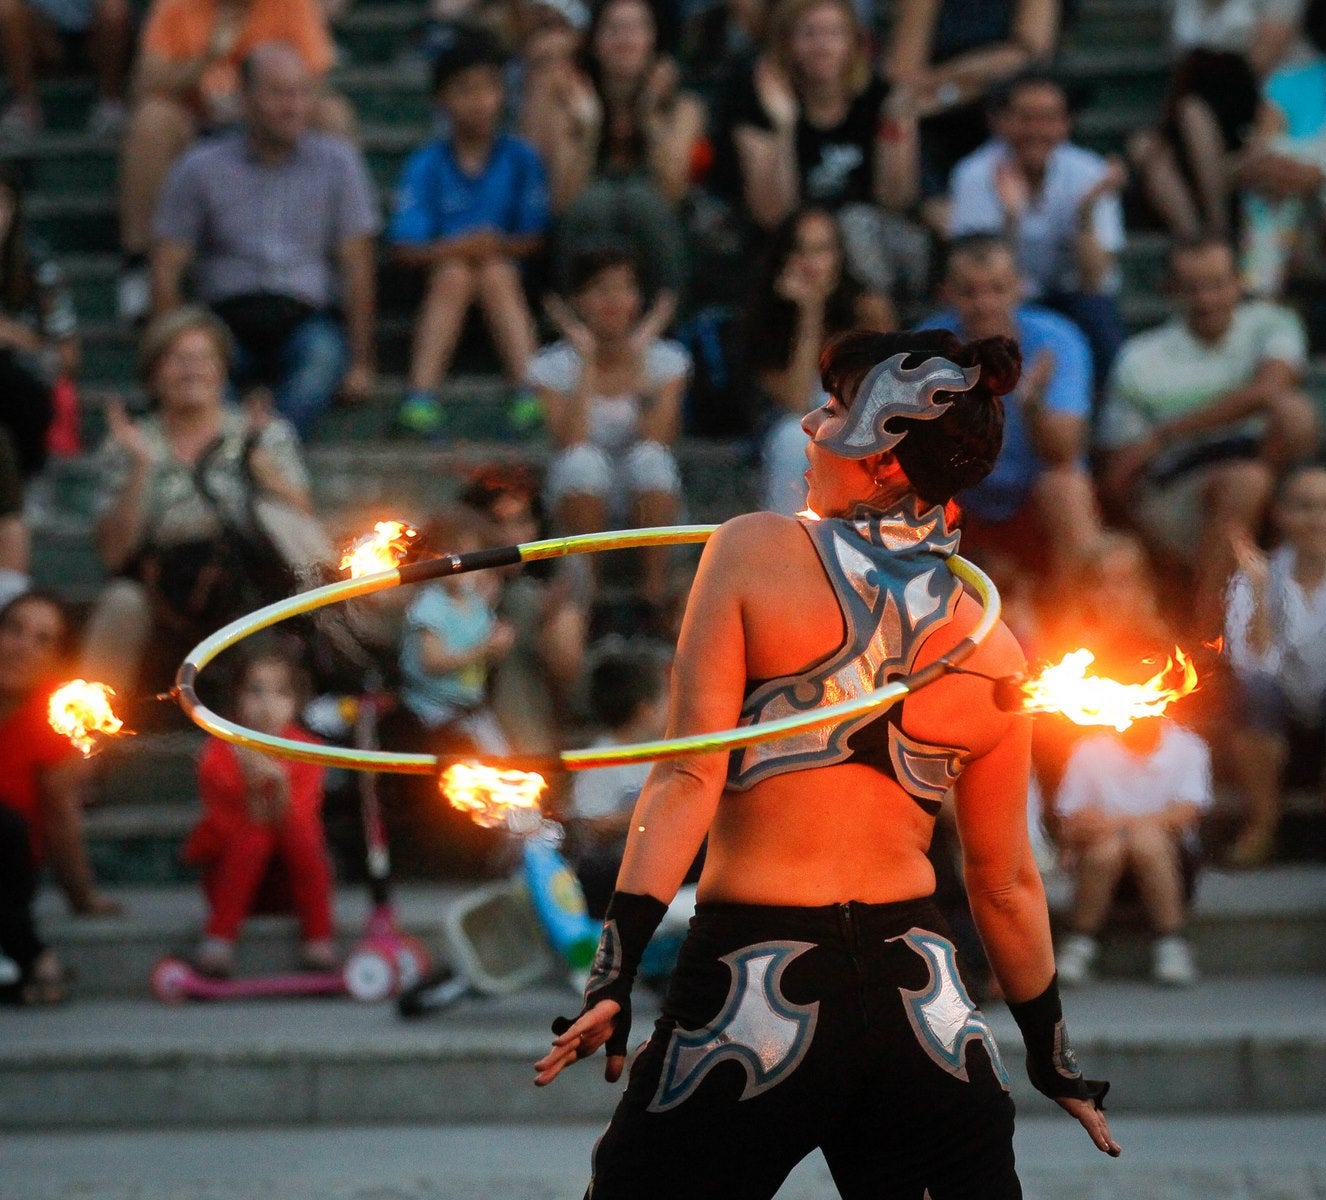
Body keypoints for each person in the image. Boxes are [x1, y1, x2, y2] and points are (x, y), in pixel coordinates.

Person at [535, 327, 1120, 1196]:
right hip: (925, 1006)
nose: (811, 424)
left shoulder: (751, 550)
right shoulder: (995, 648)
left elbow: (687, 773)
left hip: (750, 989)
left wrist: (612, 969)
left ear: (885, 458)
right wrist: (1052, 1056)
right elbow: (1005, 884)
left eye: (839, 411)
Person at [80, 307, 320, 698]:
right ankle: (88, 738)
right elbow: (113, 556)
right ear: (153, 374)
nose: (191, 370)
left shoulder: (263, 432)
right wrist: (141, 468)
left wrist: (261, 470)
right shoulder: (128, 443)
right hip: (162, 588)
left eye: (203, 358)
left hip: (249, 579)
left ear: (223, 370)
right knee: (120, 602)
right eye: (177, 358)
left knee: (279, 597)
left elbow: (304, 527)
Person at [151, 42, 380, 438]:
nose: (292, 106)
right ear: (244, 99)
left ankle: (264, 448)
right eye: (278, 93)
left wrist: (362, 363)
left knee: (322, 359)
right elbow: (167, 266)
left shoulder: (339, 164)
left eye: (301, 93)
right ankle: (240, 449)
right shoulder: (200, 167)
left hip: (305, 319)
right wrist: (163, 354)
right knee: (198, 369)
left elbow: (358, 266)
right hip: (223, 321)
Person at [1098, 237, 1317, 637]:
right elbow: (1119, 473)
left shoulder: (1271, 323)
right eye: (1193, 287)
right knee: (1248, 481)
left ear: (1238, 282)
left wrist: (1165, 432)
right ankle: (1212, 635)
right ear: (1172, 291)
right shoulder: (1140, 359)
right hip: (1178, 488)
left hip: (1263, 471)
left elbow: (1271, 389)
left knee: (1292, 415)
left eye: (1218, 284)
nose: (1207, 299)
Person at [117, 0, 353, 324]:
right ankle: (141, 263)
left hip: (270, 124)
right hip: (198, 123)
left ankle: (336, 257)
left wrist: (266, 97)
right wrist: (207, 57)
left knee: (333, 114)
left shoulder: (293, 5)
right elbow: (144, 85)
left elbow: (315, 81)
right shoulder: (176, 6)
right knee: (152, 121)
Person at [1050, 533, 1212, 989]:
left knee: (1143, 841)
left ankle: (1171, 940)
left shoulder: (1186, 740)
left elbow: (1188, 809)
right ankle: (1079, 942)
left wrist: (1129, 825)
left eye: (1126, 581)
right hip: (1101, 844)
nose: (1115, 593)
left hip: (1164, 852)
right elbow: (1073, 813)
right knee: (1109, 847)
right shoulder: (1087, 737)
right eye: (1102, 582)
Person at [389, 28, 550, 438]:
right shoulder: (426, 164)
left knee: (495, 270)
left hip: (511, 290)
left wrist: (491, 247)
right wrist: (464, 247)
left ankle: (530, 391)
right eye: (464, 90)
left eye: (489, 89)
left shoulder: (521, 158)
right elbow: (405, 247)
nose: (479, 102)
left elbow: (535, 238)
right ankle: (419, 398)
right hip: (440, 289)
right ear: (441, 99)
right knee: (456, 272)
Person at [917, 233, 1099, 589]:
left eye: (997, 290)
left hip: (1034, 495)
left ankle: (1087, 630)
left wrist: (1029, 403)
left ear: (1018, 287)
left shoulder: (1057, 340)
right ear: (948, 293)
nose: (984, 304)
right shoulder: (925, 348)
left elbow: (1065, 452)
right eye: (970, 292)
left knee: (1066, 486)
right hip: (961, 497)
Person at [728, 0, 924, 298]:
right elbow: (774, 215)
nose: (822, 47)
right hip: (797, 246)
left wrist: (897, 127)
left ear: (854, 43)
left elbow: (896, 199)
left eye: (834, 34)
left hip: (874, 239)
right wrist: (784, 125)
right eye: (809, 34)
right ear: (787, 42)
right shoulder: (758, 103)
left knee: (864, 226)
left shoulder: (878, 97)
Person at [947, 72, 1127, 392]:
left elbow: (1095, 280)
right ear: (1000, 121)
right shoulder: (973, 175)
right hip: (1006, 300)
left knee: (1098, 314)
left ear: (1066, 123)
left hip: (1073, 297)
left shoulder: (1090, 172)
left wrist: (1085, 216)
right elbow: (976, 273)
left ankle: (1098, 430)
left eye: (1048, 118)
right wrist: (1011, 222)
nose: (1036, 130)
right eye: (1025, 118)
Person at [529, 247, 688, 608]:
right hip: (578, 494)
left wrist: (636, 358)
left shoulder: (667, 360)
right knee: (582, 461)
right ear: (578, 301)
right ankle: (591, 596)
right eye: (601, 289)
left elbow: (659, 436)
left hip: (646, 493)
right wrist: (586, 361)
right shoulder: (551, 366)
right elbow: (570, 439)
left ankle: (654, 591)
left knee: (651, 459)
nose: (614, 301)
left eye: (625, 288)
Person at [531, 0, 702, 298]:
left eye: (637, 27)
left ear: (654, 39)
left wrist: (651, 120)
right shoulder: (567, 94)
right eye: (614, 29)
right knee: (594, 204)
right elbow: (562, 201)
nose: (626, 39)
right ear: (594, 42)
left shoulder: (684, 106)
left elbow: (673, 193)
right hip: (580, 224)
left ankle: (663, 324)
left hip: (657, 227)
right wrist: (589, 129)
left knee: (643, 202)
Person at [0, 591, 123, 1006]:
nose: (21, 647)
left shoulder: (51, 718)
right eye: (13, 629)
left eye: (42, 639)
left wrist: (82, 897)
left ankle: (25, 959)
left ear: (56, 660)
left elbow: (59, 819)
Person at [185, 646, 336, 977]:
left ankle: (319, 937)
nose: (268, 704)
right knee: (255, 834)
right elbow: (233, 827)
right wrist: (256, 780)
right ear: (236, 697)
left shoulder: (309, 750)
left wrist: (279, 784)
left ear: (297, 701)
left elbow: (298, 826)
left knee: (304, 836)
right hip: (229, 881)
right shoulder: (218, 752)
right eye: (255, 691)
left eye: (280, 693)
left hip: (289, 887)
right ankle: (219, 938)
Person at [743, 205, 894, 515]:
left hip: (864, 425)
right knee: (790, 438)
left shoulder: (869, 310)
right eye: (800, 250)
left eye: (822, 249)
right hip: (799, 429)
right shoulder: (765, 319)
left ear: (839, 255)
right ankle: (783, 547)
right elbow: (797, 402)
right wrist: (809, 312)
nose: (811, 263)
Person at [1128, 0, 1302, 242]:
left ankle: (1218, 225)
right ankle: (1197, 242)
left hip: (1245, 103)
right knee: (1145, 148)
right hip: (1191, 97)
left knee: (1194, 113)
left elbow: (1262, 62)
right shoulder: (1182, 6)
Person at [1224, 461, 1326, 867]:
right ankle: (1263, 824)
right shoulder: (1255, 575)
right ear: (1281, 514)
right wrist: (1262, 593)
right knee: (1252, 691)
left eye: (1325, 507)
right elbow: (1253, 665)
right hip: (1275, 706)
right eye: (1304, 506)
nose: (1317, 519)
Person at [458, 463, 590, 755]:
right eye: (497, 523)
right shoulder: (454, 566)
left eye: (521, 522)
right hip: (455, 697)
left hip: (536, 701)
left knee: (522, 599)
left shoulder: (560, 568)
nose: (510, 537)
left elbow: (569, 668)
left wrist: (548, 617)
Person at [882, 0, 1060, 214]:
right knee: (897, 118)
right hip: (931, 126)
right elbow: (901, 76)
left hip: (1001, 122)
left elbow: (1028, 56)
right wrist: (982, 73)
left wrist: (945, 90)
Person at [0, 167, 79, 603]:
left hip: (18, 387)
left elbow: (66, 357)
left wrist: (11, 335)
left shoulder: (35, 266)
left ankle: (22, 488)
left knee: (18, 384)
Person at [398, 508, 515, 756]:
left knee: (502, 762)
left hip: (470, 709)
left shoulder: (476, 604)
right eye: (448, 554)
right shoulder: (430, 604)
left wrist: (499, 644)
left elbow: (490, 650)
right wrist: (483, 649)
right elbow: (432, 661)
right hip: (430, 710)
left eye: (468, 556)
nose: (458, 564)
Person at [567, 640, 671, 918]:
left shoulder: (658, 752)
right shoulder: (601, 760)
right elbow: (590, 822)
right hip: (614, 870)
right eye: (665, 699)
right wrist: (651, 809)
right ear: (645, 710)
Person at [0, 0, 133, 139]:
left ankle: (110, 105)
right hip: (43, 36)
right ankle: (25, 107)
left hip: (93, 37)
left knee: (114, 9)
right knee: (6, 8)